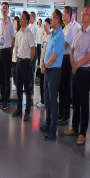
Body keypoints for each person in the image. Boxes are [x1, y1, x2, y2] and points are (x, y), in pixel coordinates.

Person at [64, 5, 90, 146]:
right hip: (75, 69)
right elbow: (72, 49)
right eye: (83, 12)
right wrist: (72, 62)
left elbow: (89, 56)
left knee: (83, 102)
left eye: (86, 13)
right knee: (75, 100)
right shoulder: (77, 31)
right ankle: (74, 127)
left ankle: (82, 132)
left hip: (83, 71)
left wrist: (77, 65)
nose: (83, 14)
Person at [40, 9, 65, 141]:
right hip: (48, 70)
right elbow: (46, 51)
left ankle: (53, 130)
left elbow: (54, 56)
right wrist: (42, 63)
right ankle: (48, 123)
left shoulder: (60, 35)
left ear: (58, 20)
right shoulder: (52, 34)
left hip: (54, 71)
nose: (51, 19)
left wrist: (45, 66)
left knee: (53, 102)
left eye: (53, 17)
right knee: (47, 100)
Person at [12, 11, 35, 121]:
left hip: (26, 63)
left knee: (27, 88)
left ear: (27, 20)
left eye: (23, 18)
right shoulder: (18, 34)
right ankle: (19, 109)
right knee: (19, 87)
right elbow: (17, 47)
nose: (20, 19)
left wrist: (29, 63)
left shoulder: (29, 34)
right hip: (19, 62)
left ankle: (27, 112)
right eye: (20, 17)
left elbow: (33, 50)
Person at [58, 6, 76, 126]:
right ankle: (60, 113)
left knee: (65, 88)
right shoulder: (64, 28)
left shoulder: (71, 28)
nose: (63, 14)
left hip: (66, 59)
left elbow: (64, 44)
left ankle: (65, 116)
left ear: (69, 15)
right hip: (61, 58)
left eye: (65, 12)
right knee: (61, 88)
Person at [0, 2, 15, 109]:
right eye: (3, 8)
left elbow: (13, 38)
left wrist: (10, 50)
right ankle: (2, 97)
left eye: (6, 8)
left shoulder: (11, 23)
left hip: (7, 51)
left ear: (8, 11)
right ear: (1, 10)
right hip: (0, 51)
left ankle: (7, 100)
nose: (4, 9)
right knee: (0, 75)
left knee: (7, 76)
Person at [37, 18, 51, 108]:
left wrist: (44, 64)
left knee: (47, 84)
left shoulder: (51, 36)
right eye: (44, 24)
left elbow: (48, 52)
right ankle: (42, 100)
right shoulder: (43, 36)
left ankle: (47, 100)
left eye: (46, 24)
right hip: (42, 62)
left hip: (47, 64)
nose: (44, 26)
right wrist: (41, 63)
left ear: (50, 25)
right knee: (41, 82)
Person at [28, 12, 38, 93]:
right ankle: (29, 85)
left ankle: (31, 87)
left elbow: (32, 39)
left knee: (31, 68)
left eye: (30, 16)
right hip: (31, 48)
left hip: (33, 48)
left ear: (33, 18)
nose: (29, 17)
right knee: (30, 68)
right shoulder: (31, 26)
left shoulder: (34, 27)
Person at [11, 16, 20, 91]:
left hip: (17, 57)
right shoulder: (14, 33)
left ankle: (17, 84)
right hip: (13, 56)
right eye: (13, 23)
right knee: (13, 71)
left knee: (16, 72)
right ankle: (15, 84)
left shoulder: (19, 34)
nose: (14, 25)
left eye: (15, 23)